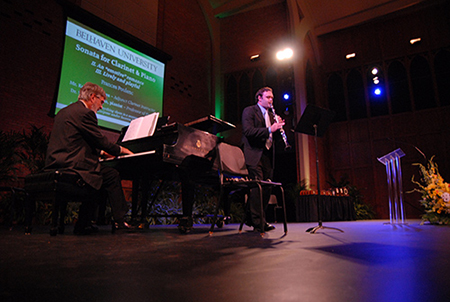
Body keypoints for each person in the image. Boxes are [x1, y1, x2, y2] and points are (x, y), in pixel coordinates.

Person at [45, 82, 134, 234]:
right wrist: (123, 149)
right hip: (72, 165)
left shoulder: (64, 111)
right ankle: (119, 221)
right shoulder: (86, 114)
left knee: (99, 174)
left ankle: (84, 223)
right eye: (101, 102)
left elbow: (75, 140)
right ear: (93, 97)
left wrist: (100, 154)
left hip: (56, 162)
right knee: (110, 175)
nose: (101, 107)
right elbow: (100, 140)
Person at [241, 86, 285, 232]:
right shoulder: (250, 111)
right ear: (259, 98)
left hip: (267, 155)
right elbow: (248, 131)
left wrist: (279, 128)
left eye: (272, 97)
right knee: (258, 187)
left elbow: (274, 138)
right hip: (254, 153)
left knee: (267, 188)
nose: (271, 100)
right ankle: (258, 222)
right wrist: (269, 129)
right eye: (268, 97)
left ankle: (250, 218)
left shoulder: (272, 116)